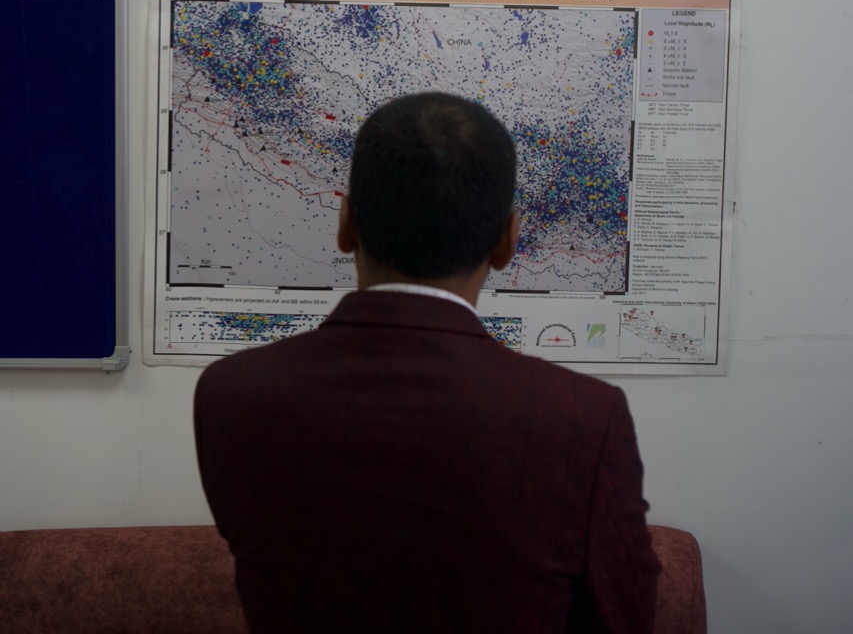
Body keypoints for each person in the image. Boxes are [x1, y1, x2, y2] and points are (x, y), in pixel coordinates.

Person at [194, 92, 660, 633]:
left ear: (345, 224)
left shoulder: (231, 395)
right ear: (507, 243)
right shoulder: (583, 418)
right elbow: (624, 617)